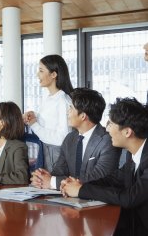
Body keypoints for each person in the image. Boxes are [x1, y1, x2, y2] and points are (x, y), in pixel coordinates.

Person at [61, 97, 148, 236]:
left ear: (127, 132)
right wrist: (79, 184)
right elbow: (114, 179)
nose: (106, 129)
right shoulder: (133, 154)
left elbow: (130, 198)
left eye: (110, 124)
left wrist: (81, 190)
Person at [31, 88, 121, 190]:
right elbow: (59, 171)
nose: (67, 112)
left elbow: (99, 177)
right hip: (69, 200)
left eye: (71, 108)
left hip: (98, 200)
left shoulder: (108, 140)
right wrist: (42, 178)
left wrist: (52, 181)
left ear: (83, 116)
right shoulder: (70, 139)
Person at [22, 54, 73, 172]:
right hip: (45, 150)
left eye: (41, 71)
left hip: (56, 154)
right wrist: (35, 115)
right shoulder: (49, 97)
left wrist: (34, 124)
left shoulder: (63, 100)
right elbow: (48, 122)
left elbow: (62, 138)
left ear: (54, 74)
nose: (37, 74)